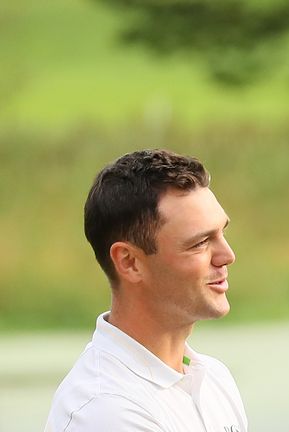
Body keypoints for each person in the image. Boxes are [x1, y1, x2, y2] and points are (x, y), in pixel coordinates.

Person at [45, 149, 247, 431]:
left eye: (221, 233)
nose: (227, 255)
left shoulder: (213, 378)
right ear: (129, 262)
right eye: (199, 243)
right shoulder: (104, 411)